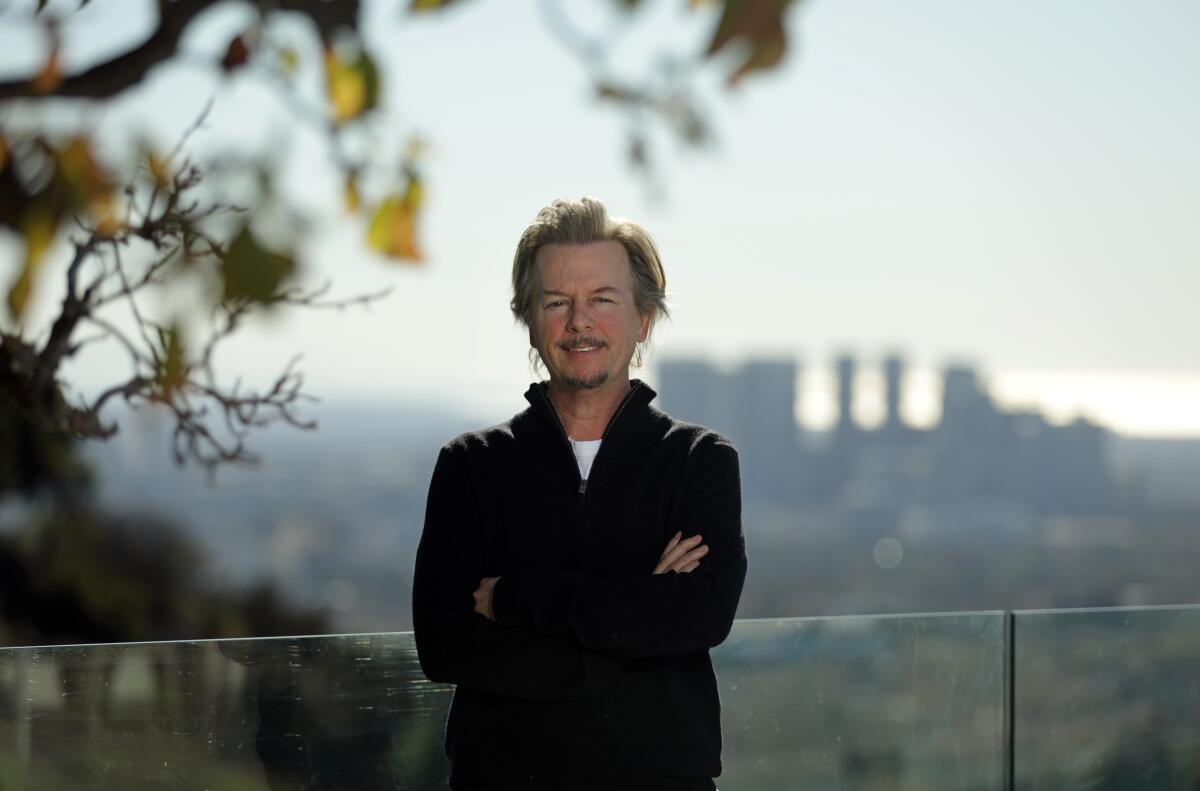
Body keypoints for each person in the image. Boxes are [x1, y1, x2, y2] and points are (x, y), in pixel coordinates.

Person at [412, 197, 746, 790]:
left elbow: (700, 615)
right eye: (557, 302)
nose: (579, 321)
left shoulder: (701, 463)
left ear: (643, 319)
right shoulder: (470, 468)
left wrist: (515, 599)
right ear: (531, 320)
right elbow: (444, 645)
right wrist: (626, 627)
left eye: (602, 300)